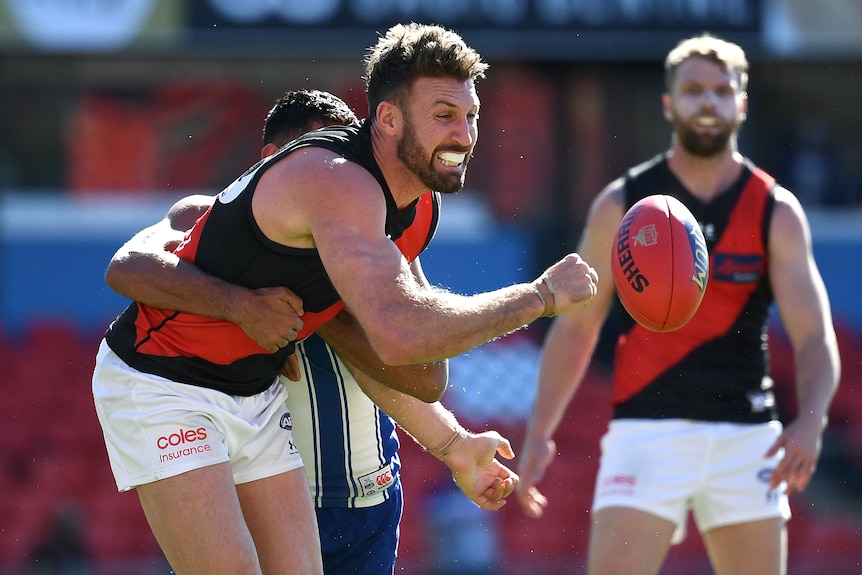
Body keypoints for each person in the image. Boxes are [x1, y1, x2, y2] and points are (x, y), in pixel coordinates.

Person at [93, 23, 598, 575]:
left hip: (255, 396)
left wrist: (453, 443)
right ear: (386, 119)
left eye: (472, 115)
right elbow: (398, 331)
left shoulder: (415, 206)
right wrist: (539, 297)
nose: (465, 134)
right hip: (163, 381)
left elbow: (421, 371)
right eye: (444, 116)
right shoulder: (337, 181)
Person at [517, 34, 840, 575]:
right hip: (647, 429)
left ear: (741, 102)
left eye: (721, 90)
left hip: (747, 433)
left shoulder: (775, 210)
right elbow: (576, 331)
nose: (707, 101)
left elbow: (814, 337)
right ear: (669, 104)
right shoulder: (621, 204)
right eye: (692, 90)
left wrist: (809, 423)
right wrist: (540, 433)